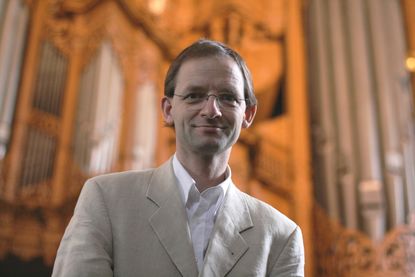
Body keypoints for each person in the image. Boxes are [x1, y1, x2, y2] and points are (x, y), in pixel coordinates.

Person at [52, 39, 304, 277]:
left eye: (227, 97)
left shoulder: (281, 236)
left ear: (248, 114)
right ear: (169, 109)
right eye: (194, 95)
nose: (211, 110)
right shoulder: (105, 199)